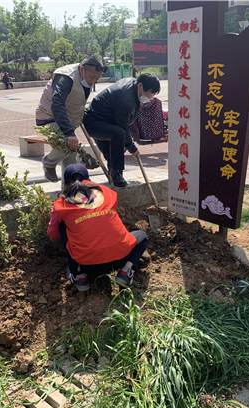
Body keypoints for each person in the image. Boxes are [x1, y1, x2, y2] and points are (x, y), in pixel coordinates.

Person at [47, 163, 148, 291]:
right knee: (142, 236)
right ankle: (126, 271)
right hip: (120, 258)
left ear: (66, 185)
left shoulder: (61, 203)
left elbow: (53, 234)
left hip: (86, 265)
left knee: (62, 227)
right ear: (88, 180)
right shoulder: (107, 192)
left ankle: (79, 276)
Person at [83, 73, 160, 187]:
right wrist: (132, 148)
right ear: (140, 85)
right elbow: (123, 126)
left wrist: (129, 146)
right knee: (119, 134)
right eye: (149, 93)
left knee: (113, 153)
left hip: (108, 120)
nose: (150, 98)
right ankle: (116, 173)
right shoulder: (126, 99)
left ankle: (114, 175)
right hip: (94, 122)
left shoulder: (133, 86)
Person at [36, 56, 104, 184]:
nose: (93, 81)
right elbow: (57, 104)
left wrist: (79, 115)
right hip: (48, 117)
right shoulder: (66, 77)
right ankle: (49, 163)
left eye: (97, 79)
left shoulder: (85, 79)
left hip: (67, 121)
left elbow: (76, 99)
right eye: (91, 77)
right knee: (66, 145)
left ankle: (70, 190)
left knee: (71, 165)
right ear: (82, 69)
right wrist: (69, 133)